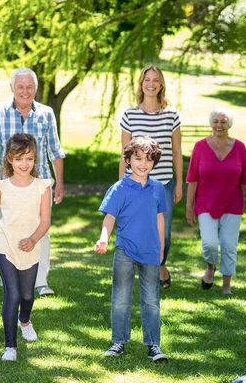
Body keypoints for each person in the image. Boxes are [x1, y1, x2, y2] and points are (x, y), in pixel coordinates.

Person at [0, 67, 65, 296]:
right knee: (9, 229)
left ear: (36, 88)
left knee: (41, 230)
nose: (25, 91)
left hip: (40, 183)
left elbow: (55, 150)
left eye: (30, 87)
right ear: (12, 88)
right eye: (21, 86)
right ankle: (9, 277)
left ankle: (41, 281)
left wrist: (59, 183)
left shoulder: (46, 113)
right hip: (7, 184)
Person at [0, 133, 52, 362]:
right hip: (5, 245)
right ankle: (11, 346)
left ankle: (24, 320)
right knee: (13, 293)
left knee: (27, 296)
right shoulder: (0, 187)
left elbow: (46, 221)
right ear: (9, 159)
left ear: (35, 158)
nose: (24, 164)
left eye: (29, 158)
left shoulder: (42, 187)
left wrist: (34, 239)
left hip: (30, 247)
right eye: (19, 159)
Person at [96, 136, 169, 362]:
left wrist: (162, 248)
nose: (143, 164)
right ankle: (118, 342)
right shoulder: (119, 188)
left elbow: (160, 219)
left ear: (154, 162)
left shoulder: (158, 189)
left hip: (151, 252)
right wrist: (103, 239)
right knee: (120, 299)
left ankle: (153, 345)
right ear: (128, 160)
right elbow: (109, 218)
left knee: (151, 301)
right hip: (125, 250)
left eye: (148, 159)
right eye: (137, 158)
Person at [185, 107, 246, 295]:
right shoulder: (200, 147)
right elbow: (192, 178)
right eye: (216, 121)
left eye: (223, 121)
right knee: (209, 243)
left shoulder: (240, 147)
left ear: (229, 124)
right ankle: (210, 267)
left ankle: (226, 285)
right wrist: (189, 207)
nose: (219, 125)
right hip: (205, 203)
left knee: (229, 245)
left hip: (232, 204)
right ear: (211, 123)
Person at [119, 64, 183, 289]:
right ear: (141, 83)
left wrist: (179, 184)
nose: (151, 84)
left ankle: (161, 263)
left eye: (155, 80)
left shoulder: (171, 116)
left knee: (162, 232)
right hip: (134, 183)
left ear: (161, 84)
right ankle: (144, 269)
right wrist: (121, 185)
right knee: (136, 227)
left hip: (163, 182)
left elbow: (176, 152)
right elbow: (124, 154)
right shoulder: (129, 115)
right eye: (147, 79)